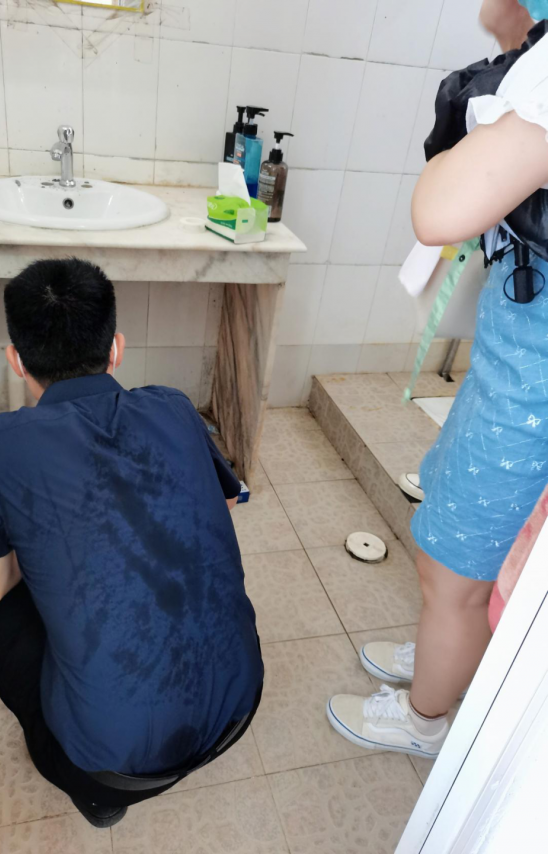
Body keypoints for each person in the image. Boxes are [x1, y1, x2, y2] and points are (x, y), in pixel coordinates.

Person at [0, 258, 263, 827]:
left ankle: (98, 797)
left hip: (108, 765)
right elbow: (222, 503)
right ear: (116, 349)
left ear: (15, 359)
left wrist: (41, 540)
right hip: (239, 708)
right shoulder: (173, 405)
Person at [327, 0, 548, 758]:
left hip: (531, 394)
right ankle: (440, 659)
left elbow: (440, 210)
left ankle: (424, 719)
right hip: (513, 371)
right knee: (453, 537)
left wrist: (473, 120)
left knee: (455, 571)